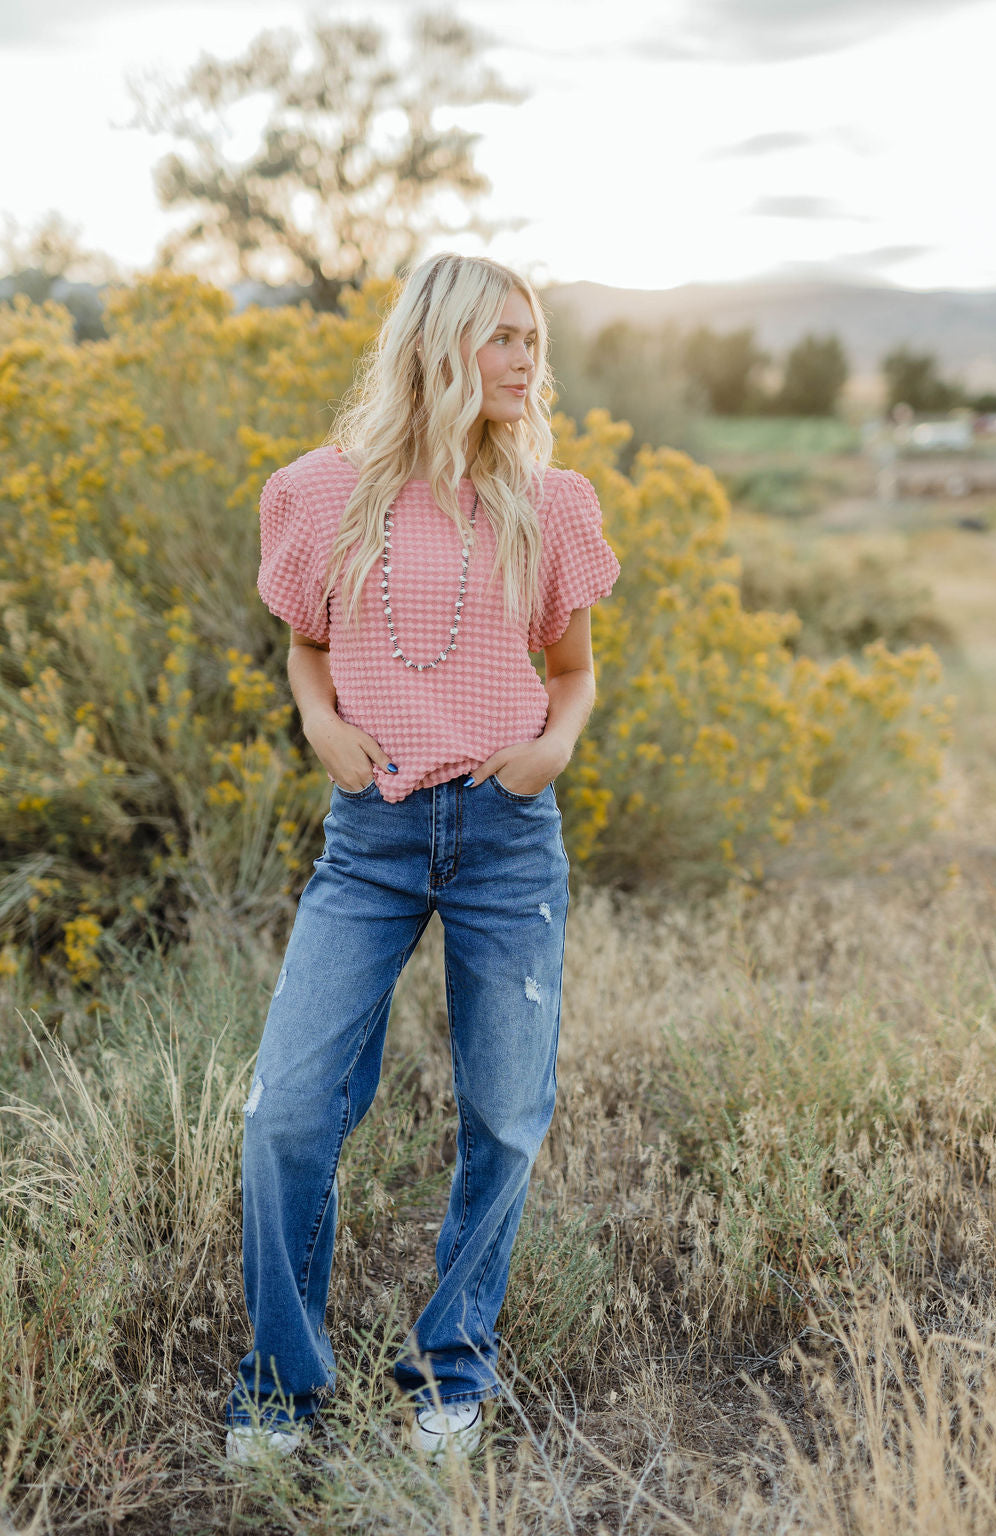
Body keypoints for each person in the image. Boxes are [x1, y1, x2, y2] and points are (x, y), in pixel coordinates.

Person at [224, 251, 620, 1464]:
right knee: (289, 1111)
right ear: (439, 346)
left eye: (532, 339)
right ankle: (281, 1388)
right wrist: (321, 724)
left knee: (503, 1114)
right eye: (502, 337)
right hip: (376, 835)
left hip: (505, 838)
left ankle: (449, 1368)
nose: (523, 360)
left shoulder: (550, 504)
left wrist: (549, 752)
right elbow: (306, 649)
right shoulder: (321, 491)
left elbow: (576, 670)